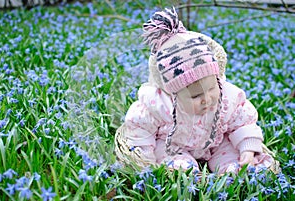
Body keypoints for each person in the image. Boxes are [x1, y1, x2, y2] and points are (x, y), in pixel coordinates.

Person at [115, 7, 277, 174]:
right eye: (196, 95)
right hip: (174, 146)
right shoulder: (159, 105)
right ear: (173, 94)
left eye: (212, 88)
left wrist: (247, 148)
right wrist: (145, 159)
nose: (207, 99)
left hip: (216, 143)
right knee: (173, 161)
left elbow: (243, 121)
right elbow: (140, 128)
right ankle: (185, 171)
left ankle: (232, 170)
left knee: (234, 158)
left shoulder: (227, 98)